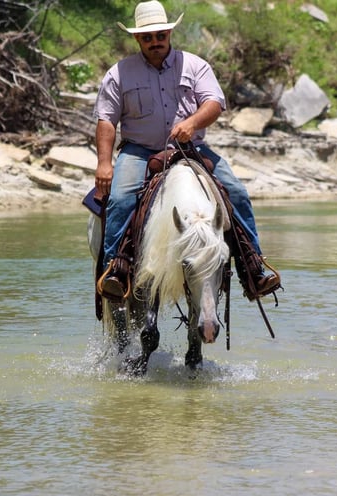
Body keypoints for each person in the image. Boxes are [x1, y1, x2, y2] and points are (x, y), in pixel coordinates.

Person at [92, 0, 280, 301]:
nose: (155, 41)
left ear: (169, 33)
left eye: (160, 35)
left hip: (191, 148)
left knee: (236, 192)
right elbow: (106, 120)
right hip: (140, 151)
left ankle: (253, 267)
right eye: (148, 37)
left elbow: (213, 103)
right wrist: (104, 163)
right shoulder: (119, 73)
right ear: (137, 38)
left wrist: (192, 123)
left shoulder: (194, 65)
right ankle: (115, 269)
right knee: (121, 197)